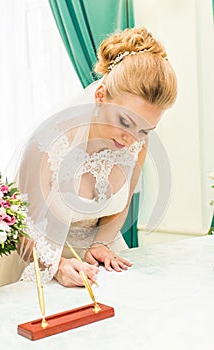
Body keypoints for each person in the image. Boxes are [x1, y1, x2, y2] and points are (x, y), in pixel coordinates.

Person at [17, 26, 177, 288]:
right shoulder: (47, 143)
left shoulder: (137, 142)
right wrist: (57, 265)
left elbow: (120, 204)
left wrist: (101, 241)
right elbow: (20, 229)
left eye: (145, 129)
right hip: (44, 268)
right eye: (125, 122)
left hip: (103, 269)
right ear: (100, 96)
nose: (132, 139)